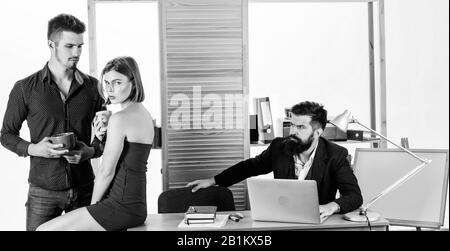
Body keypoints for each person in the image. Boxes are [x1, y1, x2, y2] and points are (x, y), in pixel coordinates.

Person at [0, 14, 106, 231]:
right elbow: (6, 134)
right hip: (43, 191)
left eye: (80, 46)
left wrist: (91, 151)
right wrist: (34, 149)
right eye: (69, 46)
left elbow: (106, 136)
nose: (76, 53)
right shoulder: (24, 88)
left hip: (85, 188)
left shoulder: (93, 88)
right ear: (51, 44)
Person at [187, 101, 363, 221]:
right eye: (291, 124)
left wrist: (331, 206)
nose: (292, 131)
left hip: (317, 224)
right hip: (282, 222)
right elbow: (249, 167)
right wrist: (214, 180)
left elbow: (354, 196)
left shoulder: (336, 154)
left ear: (317, 132)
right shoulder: (280, 146)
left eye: (300, 127)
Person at [37, 56, 154, 231]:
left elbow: (106, 171)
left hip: (120, 206)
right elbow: (130, 159)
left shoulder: (119, 119)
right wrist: (104, 135)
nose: (110, 89)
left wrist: (91, 207)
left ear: (134, 82)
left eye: (117, 82)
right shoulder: (144, 114)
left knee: (43, 230)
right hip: (136, 206)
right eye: (106, 83)